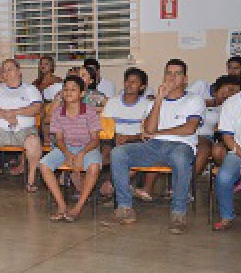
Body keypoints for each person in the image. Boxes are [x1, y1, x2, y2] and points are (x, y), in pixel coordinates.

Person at [103, 59, 205, 234]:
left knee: (180, 158)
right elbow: (149, 129)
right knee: (118, 153)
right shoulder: (154, 101)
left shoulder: (194, 100)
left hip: (182, 145)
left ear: (185, 79)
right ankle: (125, 209)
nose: (172, 77)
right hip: (154, 146)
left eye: (177, 73)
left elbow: (190, 128)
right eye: (168, 73)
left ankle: (178, 214)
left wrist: (158, 133)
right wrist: (159, 99)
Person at [40, 75, 102, 221]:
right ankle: (61, 205)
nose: (68, 92)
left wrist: (82, 153)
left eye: (73, 89)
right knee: (44, 165)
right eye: (66, 89)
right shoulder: (57, 112)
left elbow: (95, 140)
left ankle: (78, 207)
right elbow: (59, 139)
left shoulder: (89, 111)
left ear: (82, 93)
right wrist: (67, 153)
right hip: (65, 147)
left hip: (88, 147)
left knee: (93, 167)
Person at [0, 59, 43, 192]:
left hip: (24, 131)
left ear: (19, 72)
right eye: (4, 70)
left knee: (34, 143)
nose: (6, 72)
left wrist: (15, 112)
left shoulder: (30, 89)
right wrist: (5, 115)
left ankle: (31, 178)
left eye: (9, 69)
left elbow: (36, 108)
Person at [99, 67, 150, 197]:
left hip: (136, 140)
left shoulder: (147, 105)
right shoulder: (113, 102)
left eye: (134, 82)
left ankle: (112, 183)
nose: (129, 84)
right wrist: (116, 136)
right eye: (127, 81)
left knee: (133, 156)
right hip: (112, 137)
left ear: (142, 86)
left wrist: (128, 138)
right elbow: (105, 127)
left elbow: (149, 133)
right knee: (103, 155)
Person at [213, 65, 241, 230]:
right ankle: (226, 216)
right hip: (238, 153)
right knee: (223, 177)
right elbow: (227, 138)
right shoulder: (232, 103)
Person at [194, 76, 241, 176]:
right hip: (184, 133)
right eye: (230, 89)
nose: (230, 94)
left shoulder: (227, 108)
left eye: (235, 93)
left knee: (203, 149)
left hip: (205, 136)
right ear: (219, 87)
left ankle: (185, 184)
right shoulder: (199, 96)